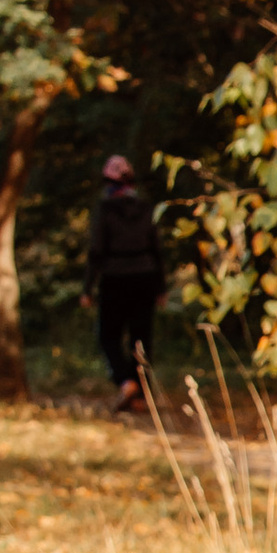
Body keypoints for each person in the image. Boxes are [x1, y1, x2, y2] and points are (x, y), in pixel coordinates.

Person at [86, 153, 164, 412]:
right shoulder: (145, 208)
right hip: (145, 278)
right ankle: (140, 393)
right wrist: (160, 286)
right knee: (141, 338)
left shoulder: (105, 209)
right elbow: (157, 249)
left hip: (115, 279)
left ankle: (126, 382)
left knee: (108, 335)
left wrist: (88, 287)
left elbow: (96, 251)